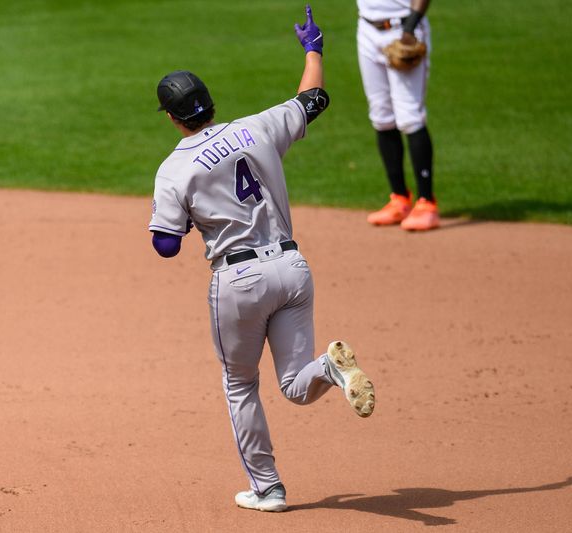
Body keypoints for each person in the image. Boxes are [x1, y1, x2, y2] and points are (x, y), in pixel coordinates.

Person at [148, 5, 375, 512]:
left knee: (239, 384)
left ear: (170, 116)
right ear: (210, 104)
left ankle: (268, 488)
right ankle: (332, 370)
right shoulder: (258, 126)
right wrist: (313, 47)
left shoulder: (174, 170)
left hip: (240, 281)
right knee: (295, 384)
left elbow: (164, 245)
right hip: (293, 270)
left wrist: (189, 219)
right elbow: (314, 99)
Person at [358, 0, 439, 230]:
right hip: (366, 29)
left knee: (410, 117)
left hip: (404, 30)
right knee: (381, 117)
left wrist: (410, 27)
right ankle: (399, 198)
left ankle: (426, 203)